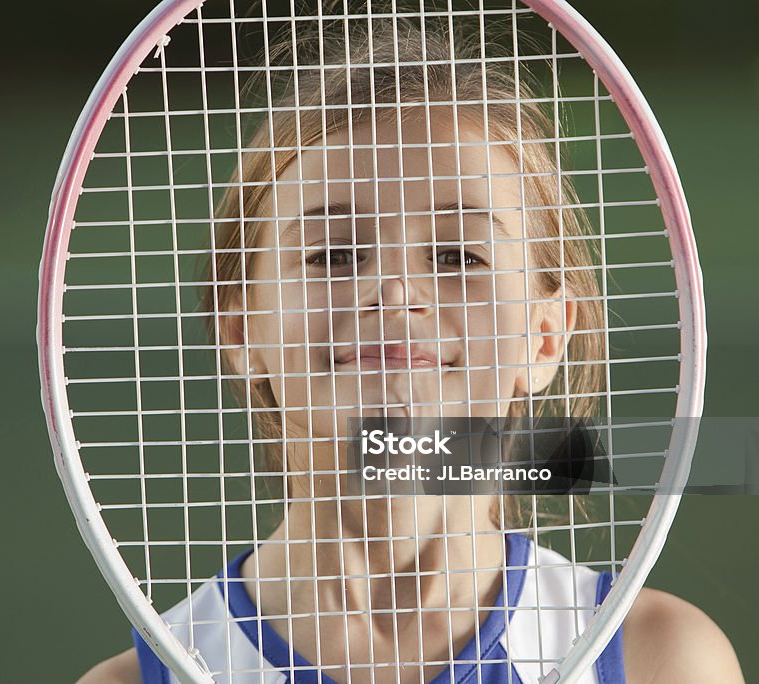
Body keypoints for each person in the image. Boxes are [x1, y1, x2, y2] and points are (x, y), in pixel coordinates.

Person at [81, 10, 741, 684]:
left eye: (459, 254)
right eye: (333, 254)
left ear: (544, 338)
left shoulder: (664, 659)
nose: (396, 294)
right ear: (242, 332)